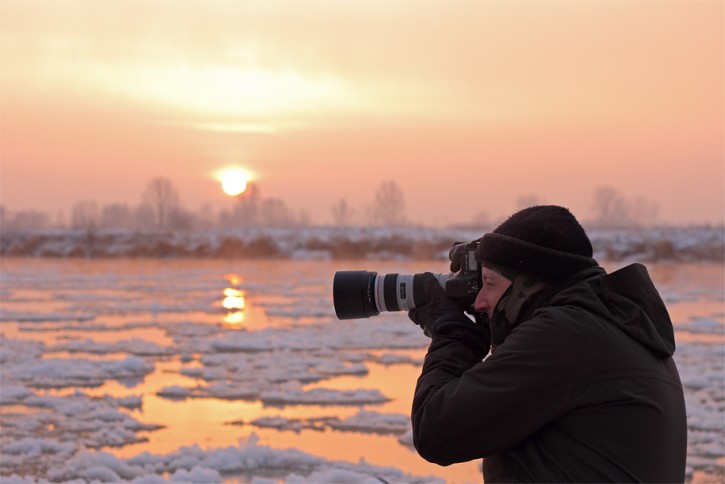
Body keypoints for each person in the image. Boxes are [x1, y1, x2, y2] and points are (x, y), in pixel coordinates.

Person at [408, 205, 687, 483]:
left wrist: (454, 336)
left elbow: (436, 431)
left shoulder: (567, 334)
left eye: (490, 284)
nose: (480, 302)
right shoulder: (613, 325)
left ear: (529, 285)